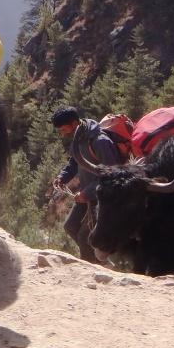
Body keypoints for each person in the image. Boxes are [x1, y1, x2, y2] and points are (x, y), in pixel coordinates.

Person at [50, 106, 122, 262]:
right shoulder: (79, 138)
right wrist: (62, 177)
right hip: (86, 195)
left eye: (63, 129)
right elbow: (74, 162)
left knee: (85, 238)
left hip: (102, 198)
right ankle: (98, 260)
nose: (62, 134)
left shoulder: (100, 142)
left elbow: (112, 175)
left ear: (74, 123)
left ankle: (95, 265)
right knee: (70, 226)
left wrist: (87, 193)